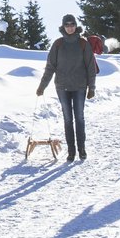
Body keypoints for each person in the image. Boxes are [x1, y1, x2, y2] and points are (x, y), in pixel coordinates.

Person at [36, 13, 97, 161]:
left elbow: (91, 67)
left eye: (72, 25)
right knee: (68, 119)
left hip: (80, 86)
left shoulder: (83, 44)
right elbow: (50, 67)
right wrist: (42, 86)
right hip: (62, 87)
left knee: (79, 117)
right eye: (67, 25)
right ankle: (71, 151)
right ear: (63, 27)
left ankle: (82, 149)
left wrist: (92, 87)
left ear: (76, 26)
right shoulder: (58, 44)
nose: (70, 27)